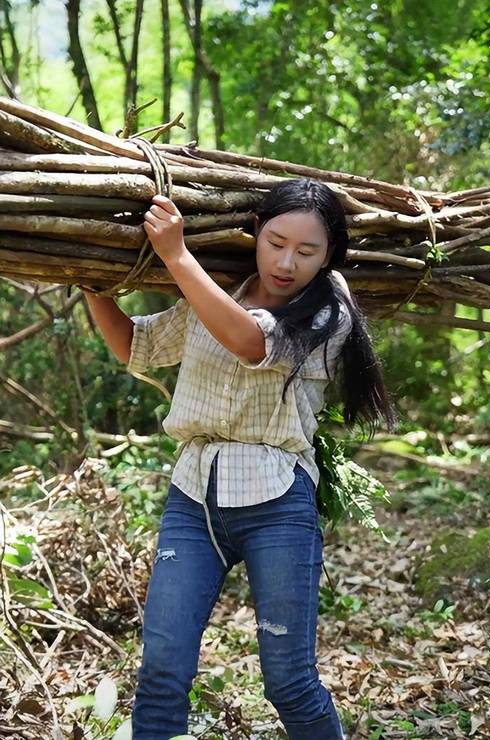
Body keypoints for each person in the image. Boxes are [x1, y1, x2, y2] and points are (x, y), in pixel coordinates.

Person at [83, 177, 396, 739]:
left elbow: (251, 342)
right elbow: (137, 346)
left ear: (329, 257)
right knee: (161, 670)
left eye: (306, 251)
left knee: (289, 682)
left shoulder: (328, 315)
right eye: (276, 241)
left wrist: (176, 254)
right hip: (192, 497)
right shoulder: (218, 291)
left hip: (277, 504)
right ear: (255, 230)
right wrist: (91, 282)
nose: (286, 262)